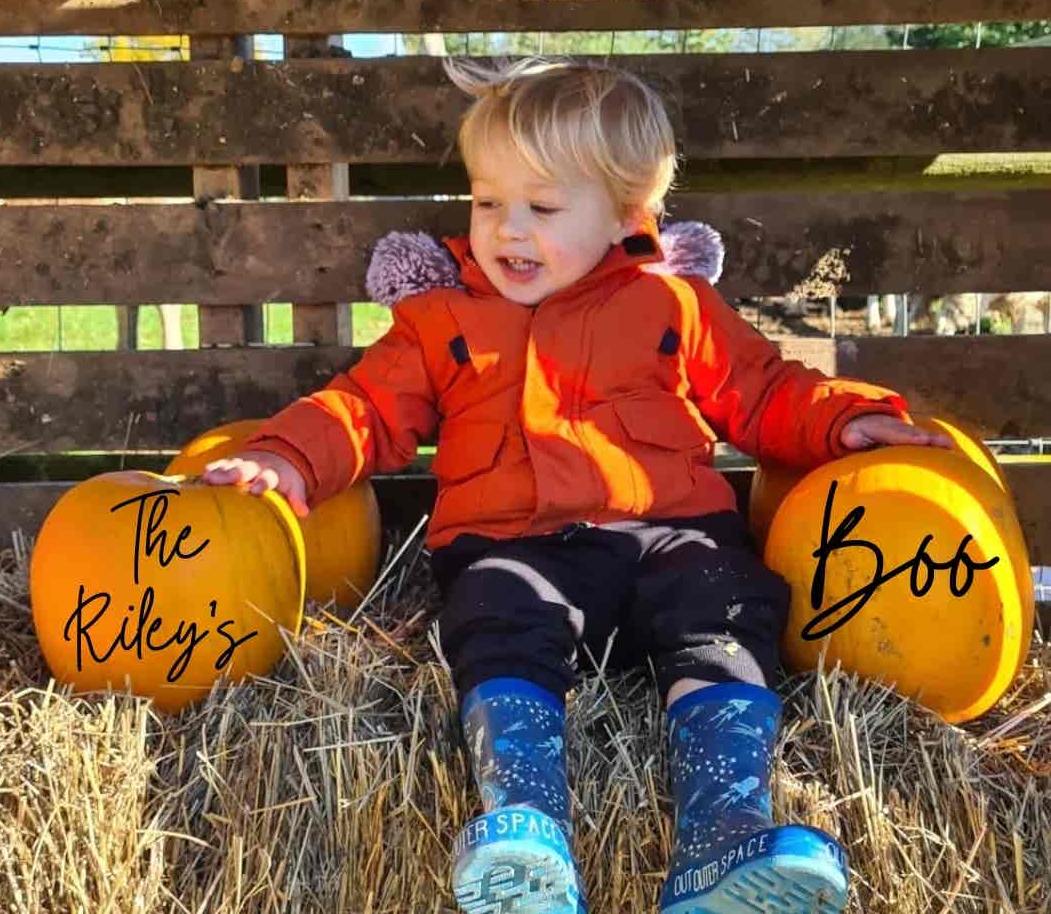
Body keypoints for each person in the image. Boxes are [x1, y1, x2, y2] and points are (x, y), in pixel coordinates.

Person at [201, 56, 952, 914]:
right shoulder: (442, 320)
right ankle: (526, 830)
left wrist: (841, 420)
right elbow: (363, 407)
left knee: (727, 604)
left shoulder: (672, 306)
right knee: (493, 611)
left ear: (627, 215)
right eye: (488, 202)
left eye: (543, 208)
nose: (508, 231)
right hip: (515, 543)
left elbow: (763, 388)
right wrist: (291, 456)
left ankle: (725, 833)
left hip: (670, 535)